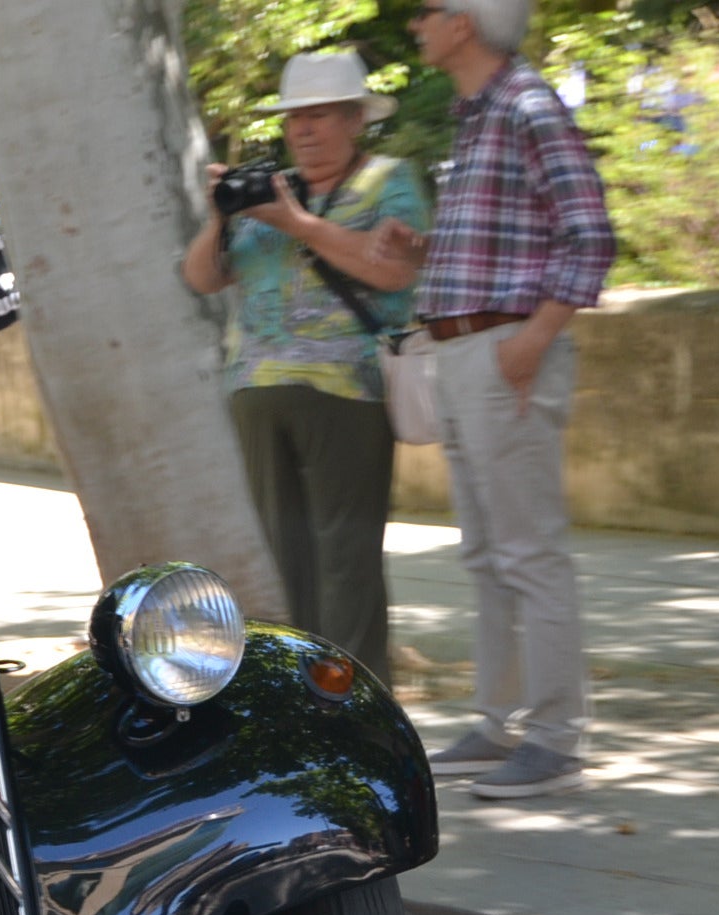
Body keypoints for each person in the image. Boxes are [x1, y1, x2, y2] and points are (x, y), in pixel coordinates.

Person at [370, 0, 615, 799]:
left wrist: (533, 340)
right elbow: (512, 240)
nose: (417, 23)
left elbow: (590, 233)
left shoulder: (528, 107)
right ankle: (498, 721)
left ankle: (554, 737)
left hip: (505, 353)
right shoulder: (483, 113)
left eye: (429, 11)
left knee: (527, 553)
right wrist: (426, 248)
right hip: (469, 349)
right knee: (486, 553)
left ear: (465, 24)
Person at [180, 51, 426, 684]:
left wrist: (297, 223)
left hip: (347, 393)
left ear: (354, 120)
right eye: (295, 120)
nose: (305, 131)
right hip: (257, 392)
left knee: (348, 559)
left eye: (319, 117)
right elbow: (201, 278)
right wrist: (221, 216)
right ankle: (311, 695)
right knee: (288, 561)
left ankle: (360, 699)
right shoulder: (271, 191)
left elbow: (393, 271)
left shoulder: (389, 181)